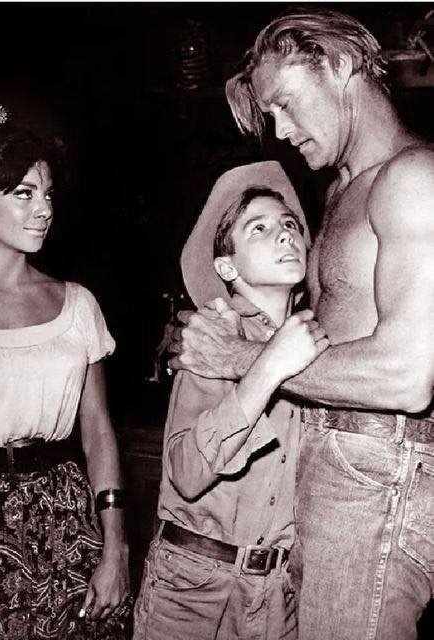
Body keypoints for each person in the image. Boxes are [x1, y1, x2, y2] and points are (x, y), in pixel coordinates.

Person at [169, 8, 434, 640]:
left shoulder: (414, 178)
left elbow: (407, 376)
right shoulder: (345, 188)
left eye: (285, 105)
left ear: (339, 65)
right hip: (338, 470)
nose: (282, 132)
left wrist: (241, 359)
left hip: (379, 475)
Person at [0, 105, 131, 640]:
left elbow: (99, 432)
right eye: (24, 193)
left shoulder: (77, 304)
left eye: (48, 194)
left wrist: (116, 547)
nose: (44, 210)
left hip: (66, 519)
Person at [133, 161, 329, 640]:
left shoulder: (321, 348)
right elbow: (186, 472)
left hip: (279, 591)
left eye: (290, 225)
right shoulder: (214, 337)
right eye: (258, 228)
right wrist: (266, 366)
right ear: (227, 266)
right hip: (192, 585)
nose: (284, 234)